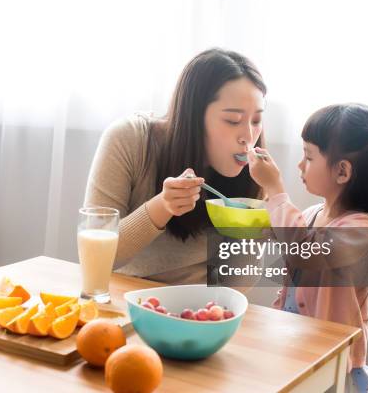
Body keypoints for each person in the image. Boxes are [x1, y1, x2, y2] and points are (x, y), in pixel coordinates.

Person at [84, 48, 267, 284]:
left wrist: (256, 227)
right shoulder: (128, 140)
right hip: (124, 299)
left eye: (256, 120)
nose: (248, 136)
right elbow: (96, 257)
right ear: (194, 116)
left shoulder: (254, 168)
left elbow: (233, 287)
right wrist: (162, 206)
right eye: (232, 120)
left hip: (201, 310)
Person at [248, 103, 368, 392]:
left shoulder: (362, 228)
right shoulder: (316, 212)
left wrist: (276, 191)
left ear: (342, 171)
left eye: (308, 156)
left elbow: (305, 252)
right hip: (294, 340)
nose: (300, 165)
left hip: (331, 356)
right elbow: (288, 238)